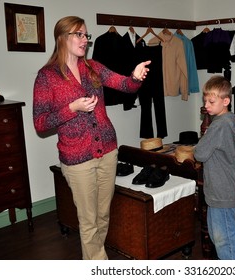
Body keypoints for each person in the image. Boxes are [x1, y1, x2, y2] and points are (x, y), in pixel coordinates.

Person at [33, 16, 151, 260]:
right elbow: (40, 122)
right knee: (88, 221)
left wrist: (136, 77)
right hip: (77, 159)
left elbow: (124, 85)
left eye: (86, 35)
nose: (85, 40)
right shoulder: (47, 76)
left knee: (102, 215)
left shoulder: (93, 67)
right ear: (62, 38)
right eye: (79, 34)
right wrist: (72, 107)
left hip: (107, 151)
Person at [194, 75, 235, 260]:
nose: (206, 105)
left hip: (221, 191)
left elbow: (199, 154)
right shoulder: (232, 121)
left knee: (224, 240)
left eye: (211, 101)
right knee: (225, 236)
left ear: (226, 101)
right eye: (205, 101)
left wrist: (207, 136)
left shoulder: (219, 126)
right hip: (229, 188)